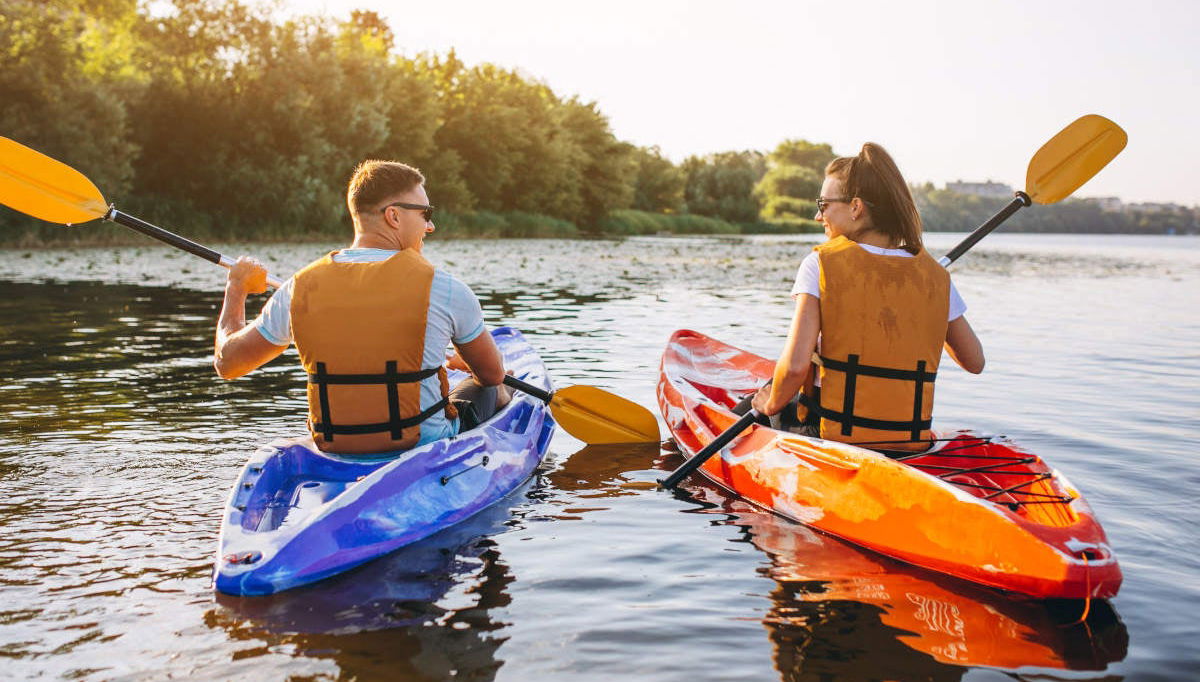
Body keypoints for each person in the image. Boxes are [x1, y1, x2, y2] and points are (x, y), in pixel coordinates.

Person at [212, 160, 509, 455]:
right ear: (394, 215)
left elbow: (227, 363)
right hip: (423, 445)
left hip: (336, 444)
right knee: (495, 388)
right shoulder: (444, 288)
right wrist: (467, 363)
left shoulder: (299, 287)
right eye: (425, 213)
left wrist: (236, 287)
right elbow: (491, 374)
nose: (430, 225)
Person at [748, 143, 985, 452]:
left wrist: (770, 405)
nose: (819, 216)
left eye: (824, 204)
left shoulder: (820, 264)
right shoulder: (934, 276)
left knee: (761, 399)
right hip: (907, 441)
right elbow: (975, 361)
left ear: (856, 207)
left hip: (829, 435)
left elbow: (794, 369)